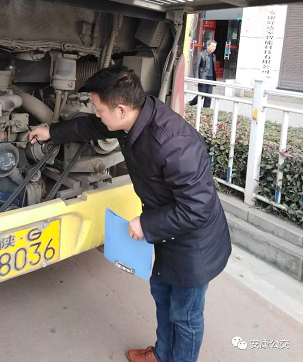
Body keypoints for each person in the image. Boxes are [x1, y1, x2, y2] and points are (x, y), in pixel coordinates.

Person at [29, 66, 231, 362]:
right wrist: (52, 132)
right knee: (162, 295)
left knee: (185, 315)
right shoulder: (132, 119)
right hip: (169, 230)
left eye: (100, 109)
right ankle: (162, 355)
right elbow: (90, 126)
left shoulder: (175, 144)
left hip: (194, 244)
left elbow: (197, 208)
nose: (97, 115)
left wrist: (146, 224)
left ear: (121, 109)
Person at [189, 40, 217, 108]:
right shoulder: (201, 54)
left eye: (215, 46)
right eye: (212, 46)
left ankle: (206, 110)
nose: (214, 48)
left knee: (209, 96)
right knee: (202, 95)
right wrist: (196, 79)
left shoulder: (213, 56)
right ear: (208, 46)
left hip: (211, 78)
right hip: (202, 77)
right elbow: (196, 67)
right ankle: (191, 103)